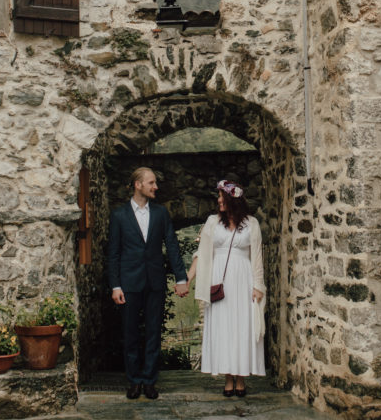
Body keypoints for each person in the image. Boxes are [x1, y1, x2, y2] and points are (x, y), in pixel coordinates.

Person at [107, 167, 188, 400]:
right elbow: (113, 254)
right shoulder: (119, 216)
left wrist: (181, 278)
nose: (156, 187)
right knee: (130, 334)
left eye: (155, 183)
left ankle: (150, 381)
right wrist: (115, 286)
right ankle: (134, 381)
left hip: (155, 282)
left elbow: (172, 245)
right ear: (138, 185)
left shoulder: (161, 213)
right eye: (151, 183)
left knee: (154, 334)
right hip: (128, 284)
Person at [186, 179, 266, 396]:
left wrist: (258, 285)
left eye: (222, 197)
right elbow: (201, 254)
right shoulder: (212, 222)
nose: (219, 201)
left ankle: (241, 378)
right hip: (218, 279)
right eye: (218, 197)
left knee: (242, 328)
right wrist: (188, 279)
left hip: (243, 279)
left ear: (233, 199)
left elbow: (257, 256)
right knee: (223, 327)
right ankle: (228, 378)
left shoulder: (252, 224)